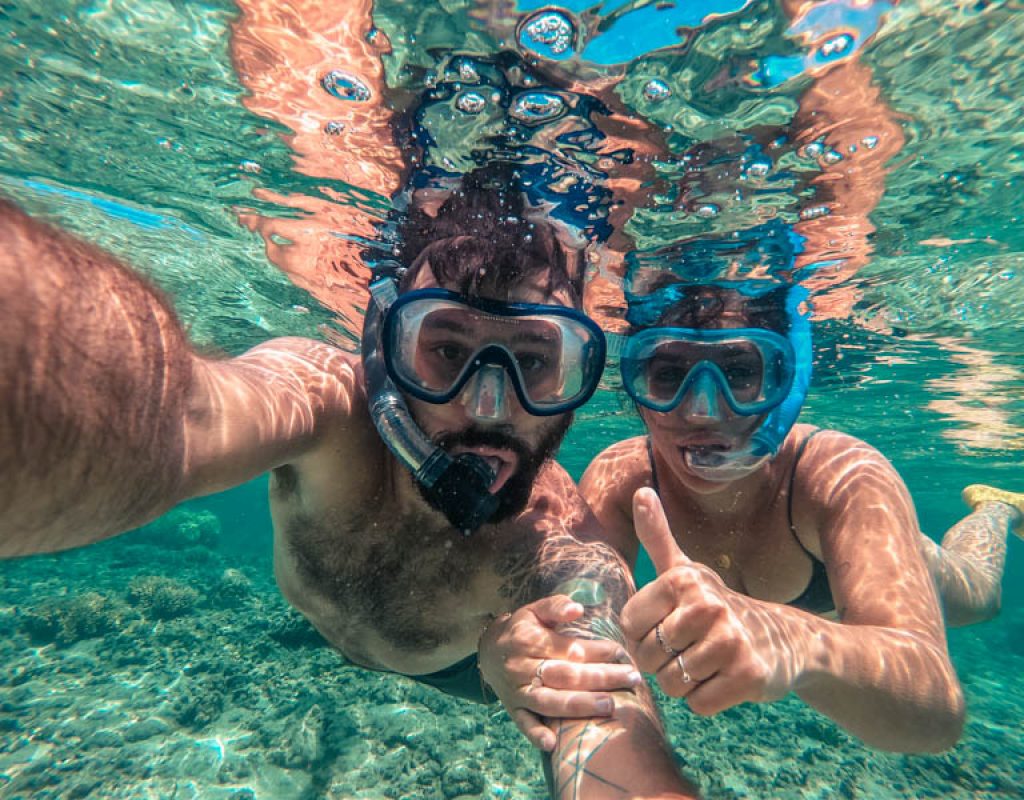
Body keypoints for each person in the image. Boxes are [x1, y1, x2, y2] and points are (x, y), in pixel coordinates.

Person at [0, 167, 700, 800]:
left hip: (465, 675)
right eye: (446, 349)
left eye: (536, 360)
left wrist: (519, 664)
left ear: (577, 378)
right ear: (383, 353)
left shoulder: (554, 546)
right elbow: (177, 411)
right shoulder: (329, 410)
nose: (488, 405)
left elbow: (605, 701)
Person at [480, 275, 1024, 755]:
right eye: (669, 374)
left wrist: (796, 640)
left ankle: (996, 510)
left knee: (980, 595)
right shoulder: (624, 478)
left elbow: (936, 713)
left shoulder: (839, 474)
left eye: (739, 371)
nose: (702, 410)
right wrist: (515, 647)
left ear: (787, 382)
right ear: (638, 392)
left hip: (896, 564)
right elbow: (585, 626)